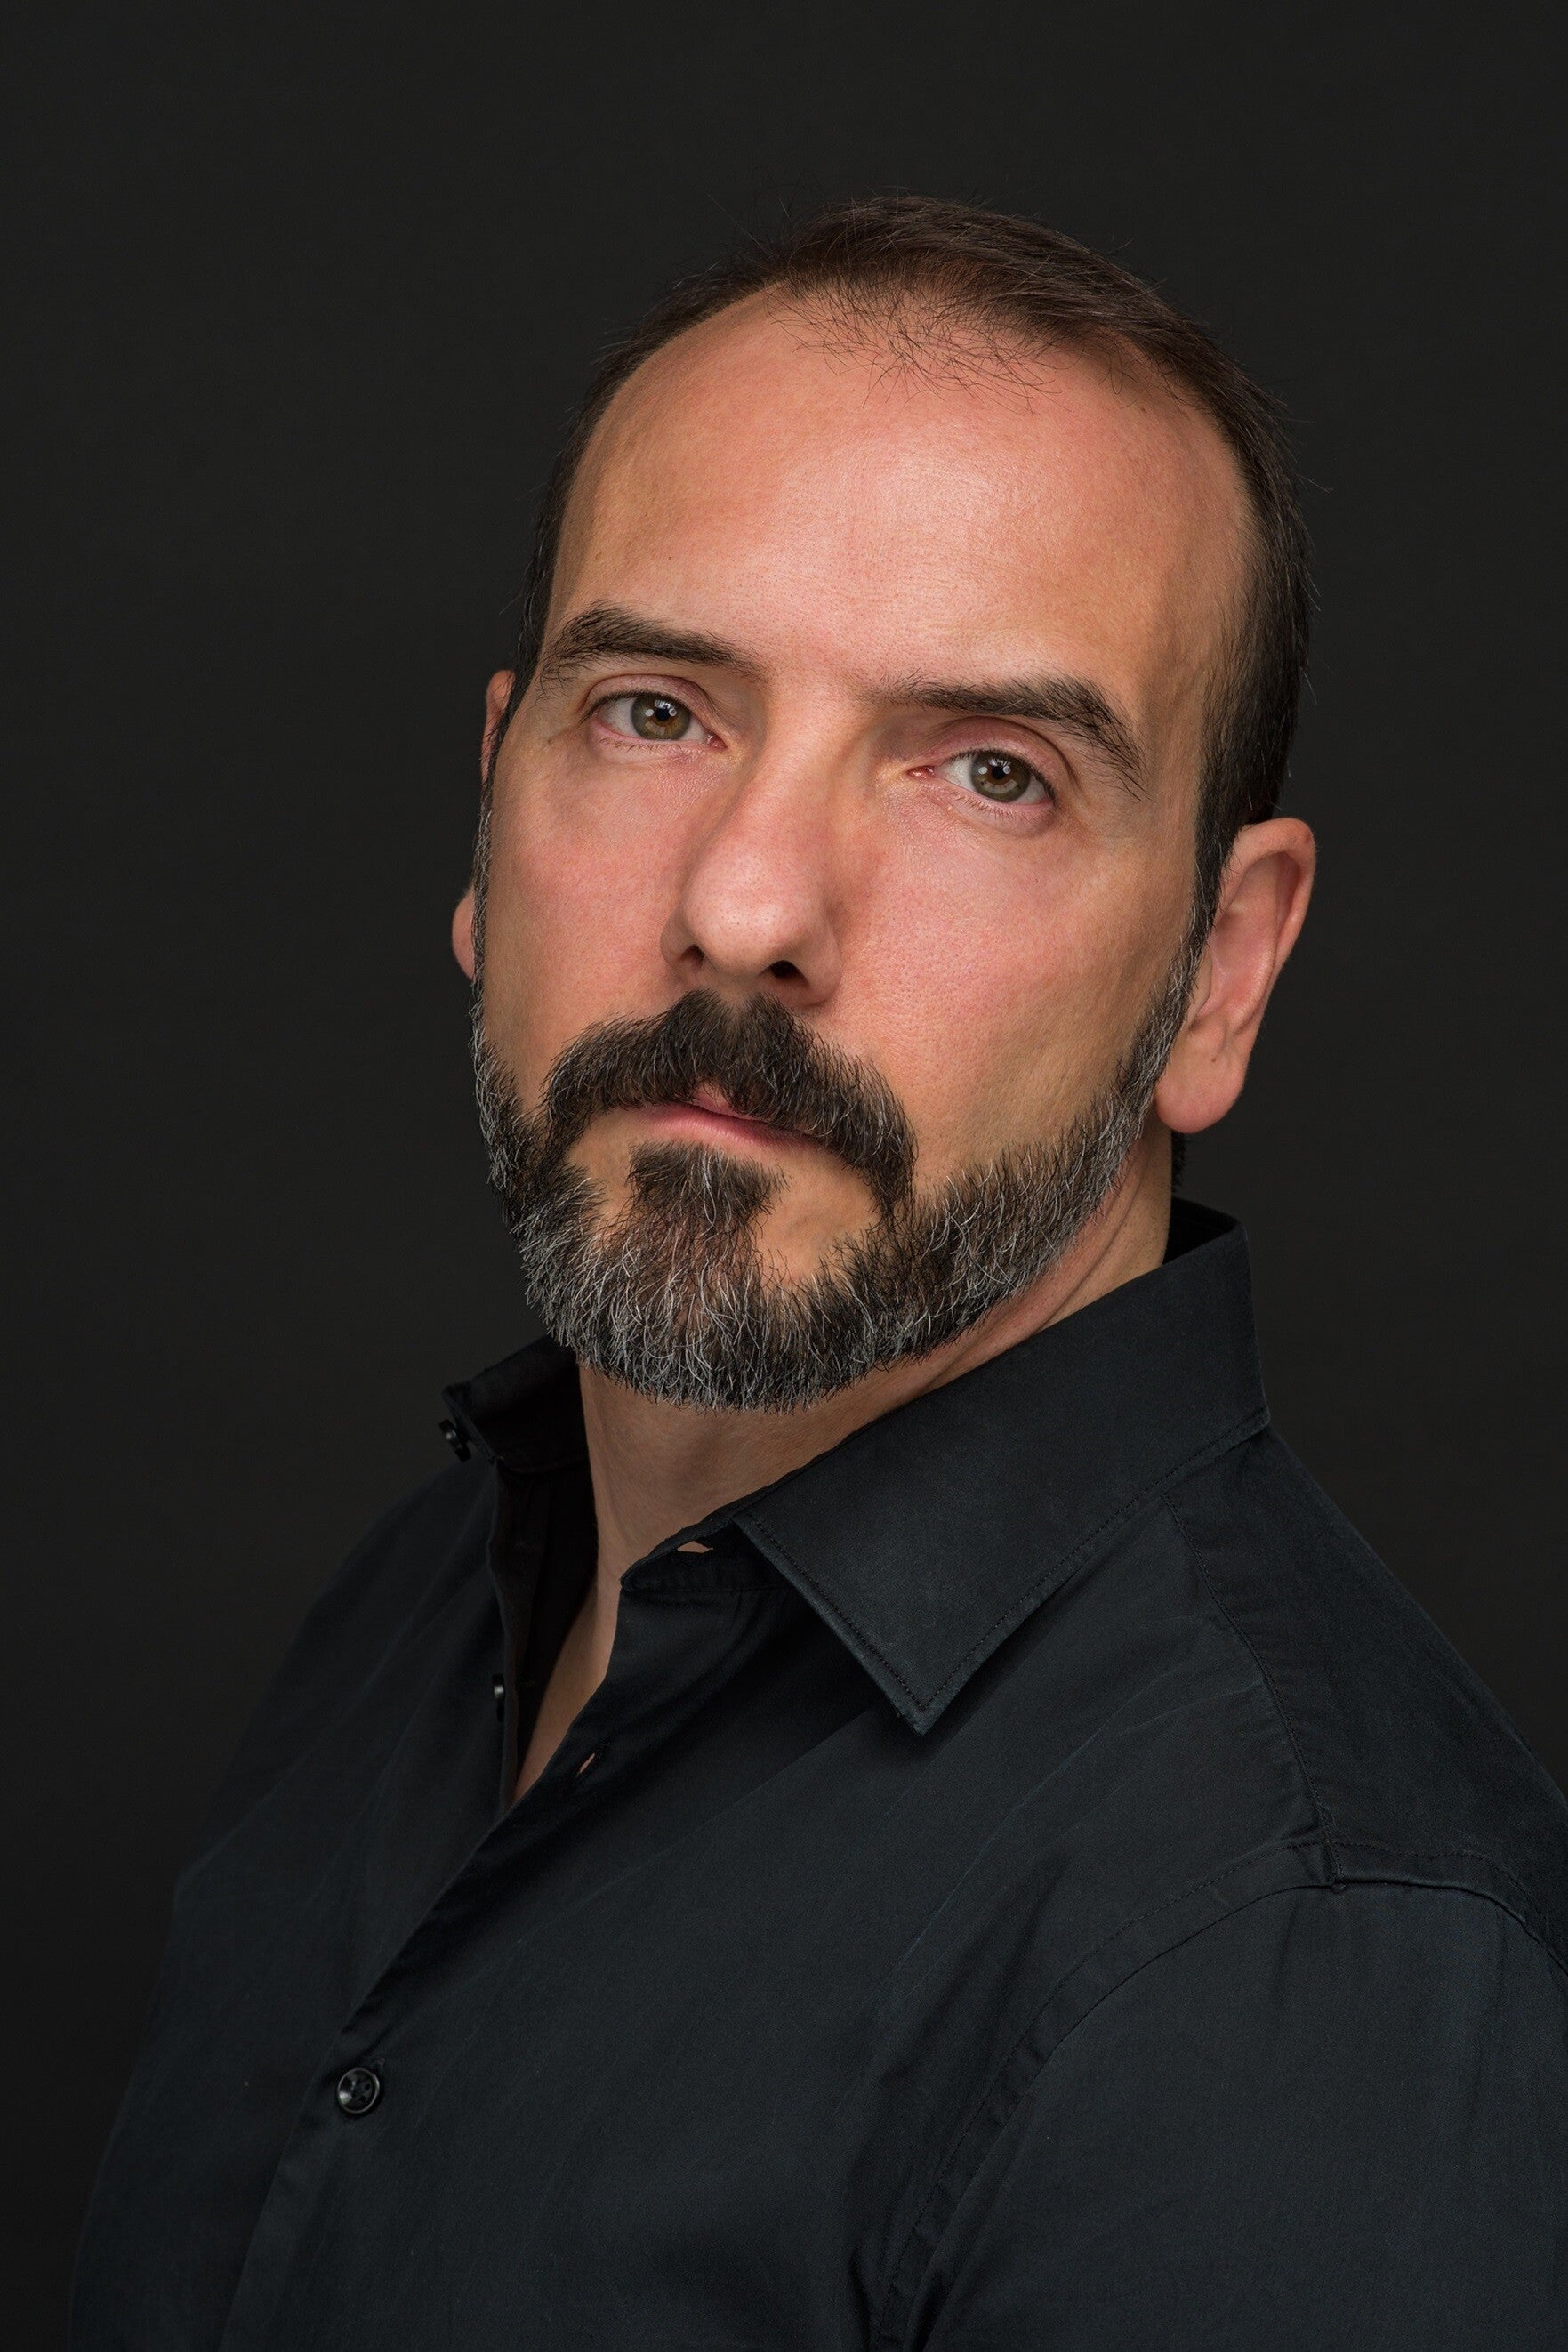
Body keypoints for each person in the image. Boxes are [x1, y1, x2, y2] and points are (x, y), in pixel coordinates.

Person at [72, 197, 1568, 2350]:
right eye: (654, 711)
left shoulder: (1290, 1967)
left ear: (1220, 973)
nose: (749, 903)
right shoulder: (424, 1612)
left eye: (990, 774)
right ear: (489, 816)